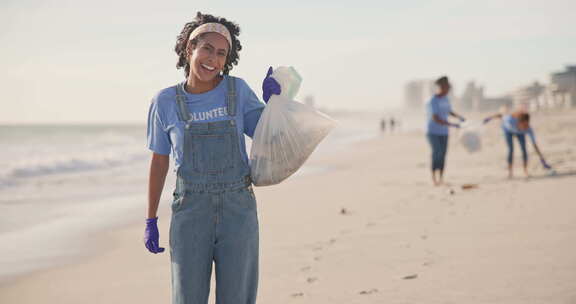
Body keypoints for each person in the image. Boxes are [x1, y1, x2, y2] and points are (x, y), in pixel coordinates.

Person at [144, 12, 281, 304]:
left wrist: (275, 104)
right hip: (191, 211)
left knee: (238, 297)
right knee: (188, 297)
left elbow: (269, 136)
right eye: (206, 48)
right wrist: (151, 218)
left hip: (238, 209)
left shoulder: (238, 91)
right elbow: (159, 162)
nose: (213, 59)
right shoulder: (165, 102)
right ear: (188, 48)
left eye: (222, 53)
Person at [483, 110, 551, 178]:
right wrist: (489, 118)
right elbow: (500, 115)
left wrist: (542, 159)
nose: (525, 127)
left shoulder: (528, 129)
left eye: (527, 125)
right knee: (511, 149)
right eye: (524, 125)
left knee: (524, 149)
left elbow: (534, 145)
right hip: (508, 130)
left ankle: (525, 170)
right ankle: (510, 172)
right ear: (519, 122)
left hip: (520, 133)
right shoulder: (509, 119)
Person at [425, 76, 466, 185]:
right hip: (433, 131)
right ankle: (434, 178)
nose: (449, 89)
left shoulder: (446, 99)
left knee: (443, 154)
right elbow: (435, 118)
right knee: (436, 153)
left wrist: (460, 118)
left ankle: (441, 177)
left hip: (444, 132)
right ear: (441, 87)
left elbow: (449, 111)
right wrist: (452, 124)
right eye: (447, 87)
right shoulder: (433, 100)